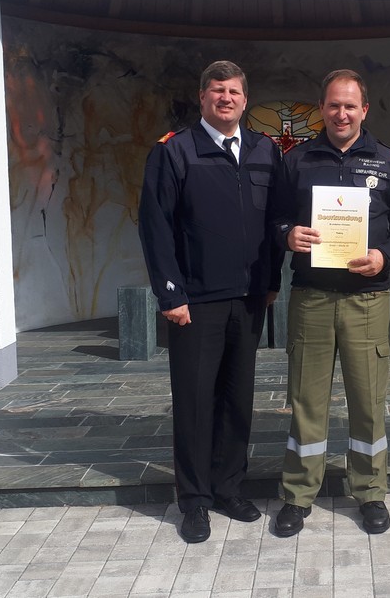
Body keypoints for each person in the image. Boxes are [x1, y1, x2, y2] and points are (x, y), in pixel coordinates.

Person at [271, 69, 390, 537]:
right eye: (334, 105)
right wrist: (287, 234)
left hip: (367, 300)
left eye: (350, 105)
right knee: (306, 402)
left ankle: (370, 492)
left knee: (368, 402)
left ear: (364, 110)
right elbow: (273, 215)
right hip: (311, 299)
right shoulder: (295, 161)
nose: (342, 114)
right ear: (321, 108)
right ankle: (298, 494)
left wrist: (385, 256)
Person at [137, 60, 283, 544]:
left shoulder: (265, 150)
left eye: (234, 91)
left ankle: (229, 488)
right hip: (196, 302)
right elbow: (155, 226)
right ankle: (195, 500)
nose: (226, 98)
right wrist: (170, 293)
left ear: (245, 100)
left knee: (237, 400)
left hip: (249, 298)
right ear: (202, 97)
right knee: (196, 402)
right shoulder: (174, 151)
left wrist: (271, 280)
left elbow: (275, 219)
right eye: (217, 90)